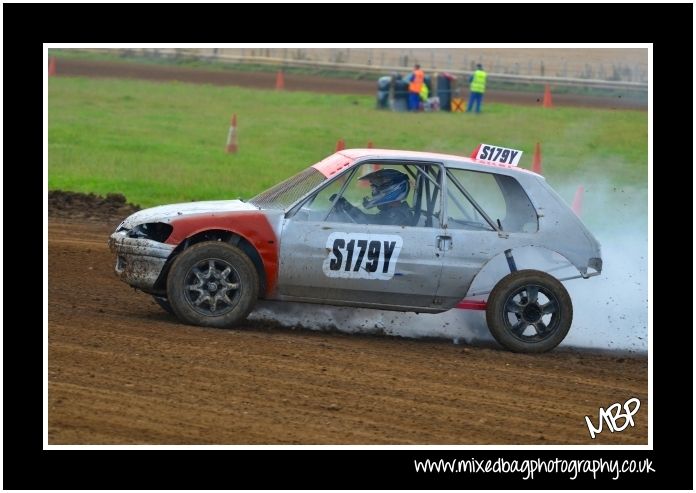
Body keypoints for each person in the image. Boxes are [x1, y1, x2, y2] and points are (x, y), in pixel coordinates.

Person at [331, 169, 413, 225]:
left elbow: (366, 223)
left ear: (393, 188)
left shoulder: (397, 216)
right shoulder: (395, 212)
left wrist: (347, 207)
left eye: (378, 185)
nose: (374, 191)